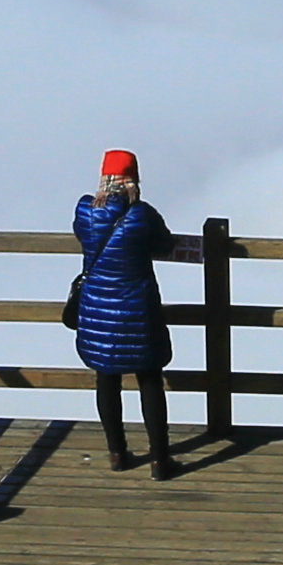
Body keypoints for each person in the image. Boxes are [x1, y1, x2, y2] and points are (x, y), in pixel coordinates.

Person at [71, 148, 179, 476]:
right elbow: (166, 244)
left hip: (97, 309)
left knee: (106, 378)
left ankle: (118, 453)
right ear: (134, 178)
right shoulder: (142, 215)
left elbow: (82, 237)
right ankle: (161, 460)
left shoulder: (85, 211)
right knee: (149, 380)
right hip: (137, 309)